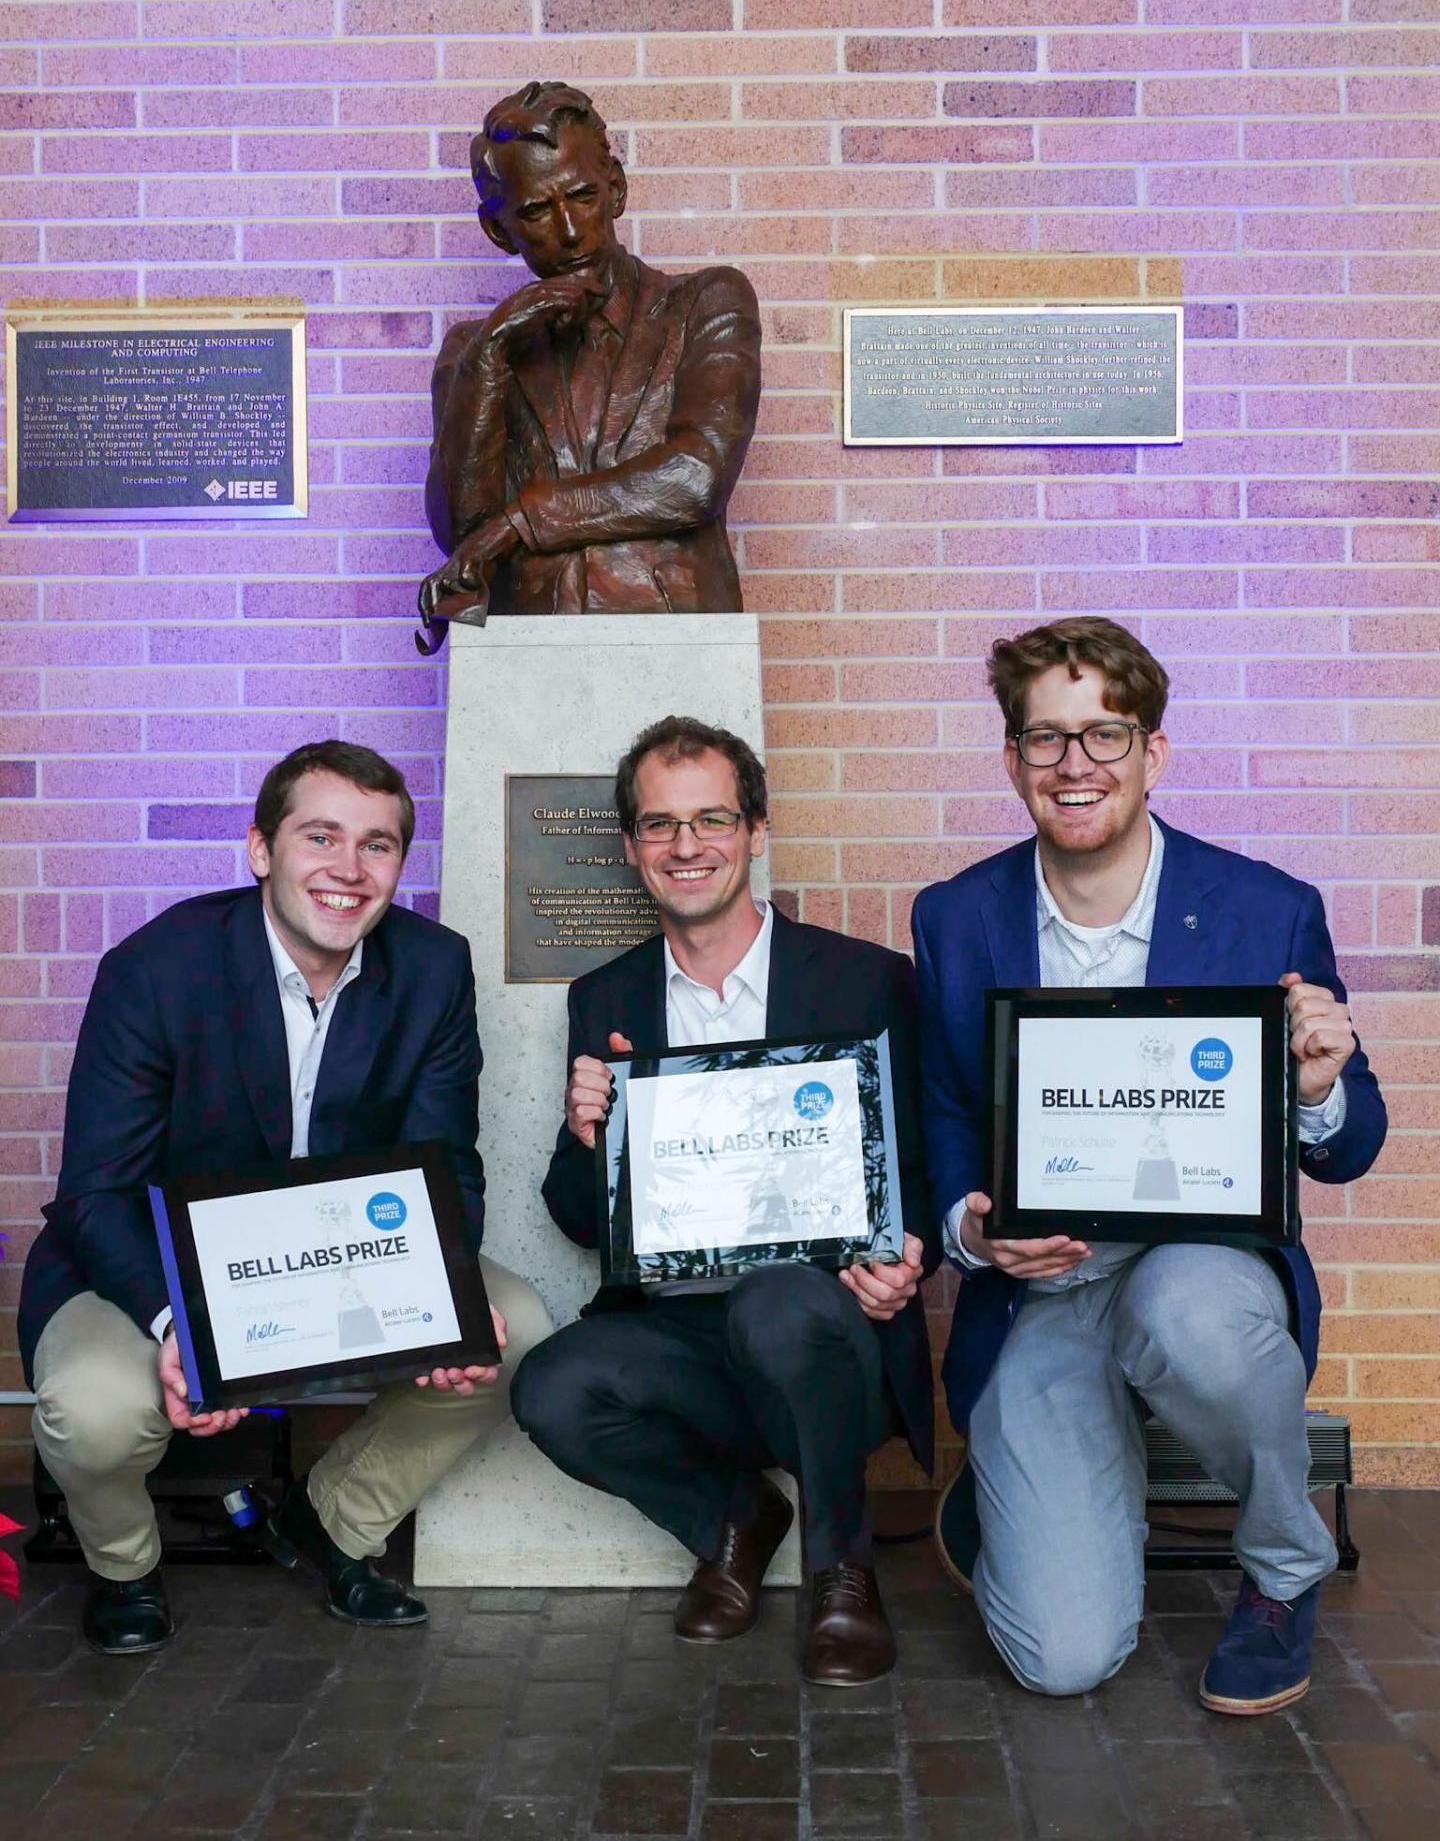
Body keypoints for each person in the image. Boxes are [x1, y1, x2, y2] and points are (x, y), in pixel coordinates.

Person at [913, 618, 1386, 1713]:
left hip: (1199, 1260)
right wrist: (972, 1229)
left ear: (1153, 752)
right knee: (1062, 1657)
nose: (1075, 766)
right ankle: (1024, 1490)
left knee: (1185, 1318)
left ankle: (1281, 1565)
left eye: (1104, 735)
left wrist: (1316, 1089)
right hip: (1044, 1285)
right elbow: (945, 1110)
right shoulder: (956, 916)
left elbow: (1353, 1151)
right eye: (1046, 740)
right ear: (1013, 760)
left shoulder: (1267, 909)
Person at [19, 741, 552, 1655]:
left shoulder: (430, 968)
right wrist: (180, 1327)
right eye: (321, 837)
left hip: (338, 1257)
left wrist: (448, 1298)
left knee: (515, 1331)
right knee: (94, 1409)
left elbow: (444, 1164)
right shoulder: (156, 968)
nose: (349, 870)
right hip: (153, 1265)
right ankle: (123, 1563)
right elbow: (97, 1191)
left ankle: (330, 1522)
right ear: (261, 849)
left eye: (378, 845)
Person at [510, 717, 934, 1685]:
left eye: (711, 819)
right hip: (685, 1333)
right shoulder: (607, 996)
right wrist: (588, 1138)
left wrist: (911, 1250)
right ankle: (732, 1518)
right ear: (630, 847)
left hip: (822, 1334)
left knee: (779, 1298)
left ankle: (842, 1570)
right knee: (553, 1386)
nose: (686, 845)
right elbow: (580, 1218)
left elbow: (929, 1153)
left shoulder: (866, 980)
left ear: (753, 831)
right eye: (660, 825)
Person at [418, 81, 760, 643]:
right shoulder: (472, 352)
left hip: (678, 639)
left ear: (616, 189)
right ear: (498, 230)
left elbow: (696, 476)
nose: (571, 231)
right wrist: (492, 355)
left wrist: (518, 522)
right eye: (536, 211)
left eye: (581, 196)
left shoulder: (706, 302)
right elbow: (460, 531)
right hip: (522, 654)